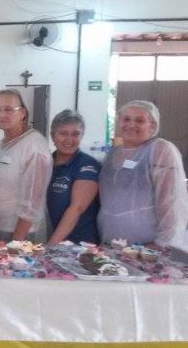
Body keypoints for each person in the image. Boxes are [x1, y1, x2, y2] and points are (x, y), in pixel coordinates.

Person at [98, 100, 188, 247]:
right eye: (126, 119)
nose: (131, 125)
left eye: (139, 120)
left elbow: (169, 201)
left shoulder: (159, 150)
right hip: (110, 239)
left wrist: (163, 243)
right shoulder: (112, 153)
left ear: (152, 126)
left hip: (147, 245)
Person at [0, 88, 52, 242]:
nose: (1, 115)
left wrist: (16, 243)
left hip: (21, 234)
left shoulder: (34, 145)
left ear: (23, 112)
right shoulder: (0, 145)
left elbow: (33, 201)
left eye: (8, 109)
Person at [46, 109, 100, 245]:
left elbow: (76, 209)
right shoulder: (46, 162)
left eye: (75, 134)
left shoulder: (87, 165)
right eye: (63, 133)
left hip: (79, 246)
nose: (69, 139)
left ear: (82, 136)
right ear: (53, 136)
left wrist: (50, 246)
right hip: (48, 238)